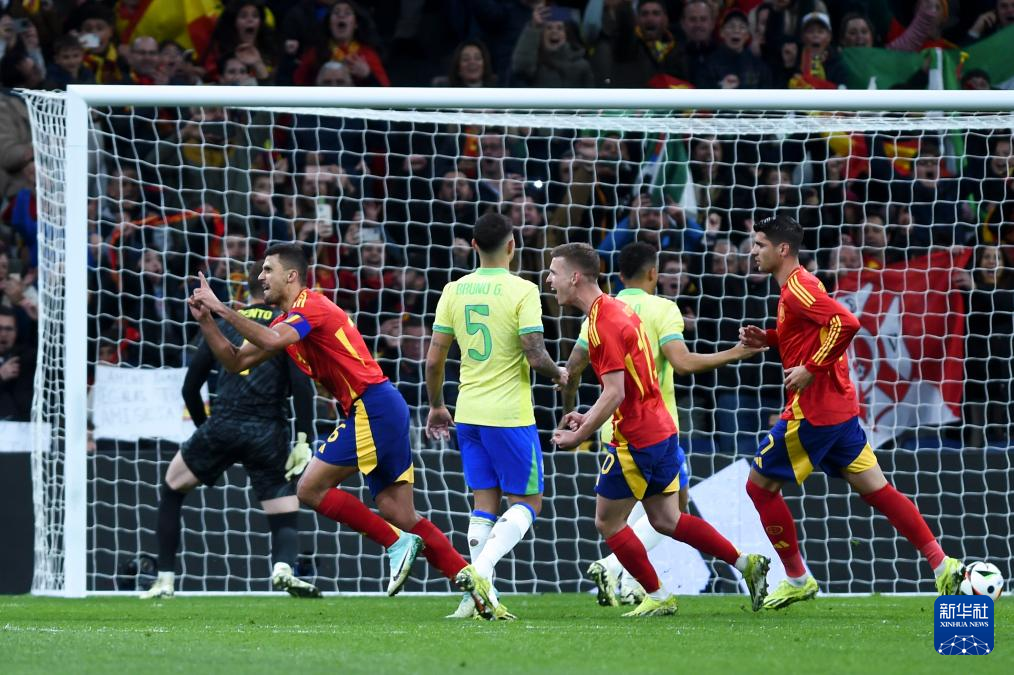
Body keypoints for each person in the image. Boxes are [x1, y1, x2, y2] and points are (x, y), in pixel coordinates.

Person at [189, 244, 490, 616]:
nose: (261, 277)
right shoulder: (286, 321)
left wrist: (222, 308)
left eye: (268, 269)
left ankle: (397, 544)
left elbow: (271, 341)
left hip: (371, 407)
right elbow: (236, 362)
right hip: (380, 407)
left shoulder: (309, 306)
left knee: (309, 488)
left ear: (291, 276)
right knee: (399, 512)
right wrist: (207, 320)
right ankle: (475, 588)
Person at [738, 215, 965, 609]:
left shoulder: (798, 288)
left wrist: (811, 369)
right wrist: (771, 338)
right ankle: (942, 564)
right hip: (841, 411)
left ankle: (798, 578)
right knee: (878, 491)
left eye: (760, 245)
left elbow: (847, 323)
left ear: (782, 249)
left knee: (759, 488)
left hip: (813, 413)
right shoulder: (801, 285)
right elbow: (813, 333)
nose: (753, 252)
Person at [547, 242, 770, 617]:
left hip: (636, 436)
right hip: (661, 427)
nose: (548, 280)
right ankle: (745, 562)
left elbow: (615, 392)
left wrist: (578, 434)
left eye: (553, 273)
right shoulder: (614, 311)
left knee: (607, 520)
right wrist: (585, 416)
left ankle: (657, 594)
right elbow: (625, 385)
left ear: (575, 277)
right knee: (667, 519)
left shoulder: (603, 321)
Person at [141, 263, 320, 599]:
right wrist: (304, 439)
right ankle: (283, 567)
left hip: (224, 423)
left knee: (172, 487)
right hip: (269, 430)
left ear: (243, 291)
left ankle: (164, 579)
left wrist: (205, 430)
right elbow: (302, 387)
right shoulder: (285, 327)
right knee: (284, 508)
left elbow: (190, 388)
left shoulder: (223, 325)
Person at [424, 213, 567, 620]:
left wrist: (436, 405)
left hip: (468, 412)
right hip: (509, 415)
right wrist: (558, 373)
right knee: (529, 501)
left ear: (473, 246)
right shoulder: (523, 289)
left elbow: (434, 359)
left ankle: (474, 598)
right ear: (512, 246)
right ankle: (480, 572)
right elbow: (534, 353)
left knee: (484, 502)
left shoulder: (454, 289)